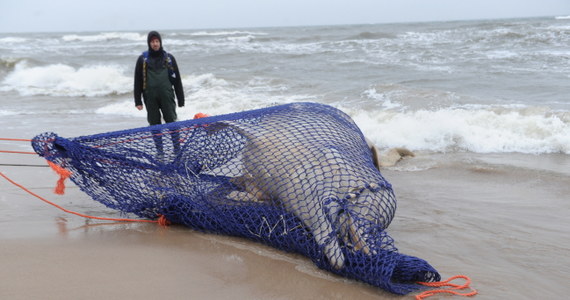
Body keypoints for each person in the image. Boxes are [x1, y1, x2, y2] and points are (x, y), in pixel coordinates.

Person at [134, 31, 185, 126]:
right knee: (154, 125)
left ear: (160, 42)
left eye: (157, 41)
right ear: (149, 43)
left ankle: (176, 141)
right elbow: (137, 81)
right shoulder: (142, 60)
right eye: (152, 42)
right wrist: (138, 101)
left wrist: (181, 99)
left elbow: (177, 81)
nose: (155, 44)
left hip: (167, 96)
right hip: (150, 98)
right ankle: (158, 141)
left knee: (172, 122)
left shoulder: (169, 58)